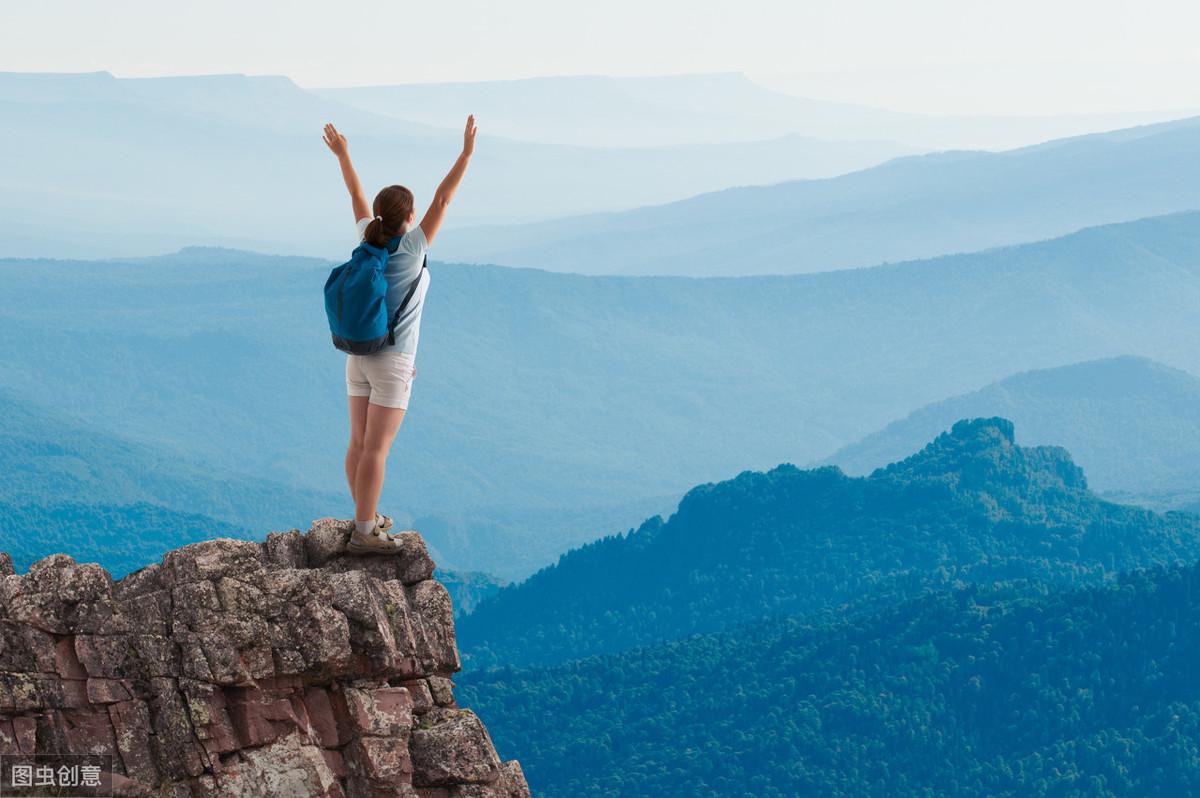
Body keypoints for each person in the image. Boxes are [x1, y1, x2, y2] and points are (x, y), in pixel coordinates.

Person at [322, 115, 477, 553]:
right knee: (377, 450)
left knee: (357, 442)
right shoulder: (413, 248)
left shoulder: (365, 240)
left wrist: (343, 154)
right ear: (409, 218)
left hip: (358, 357)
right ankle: (365, 533)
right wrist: (465, 154)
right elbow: (443, 199)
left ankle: (363, 516)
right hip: (394, 363)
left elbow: (355, 194)